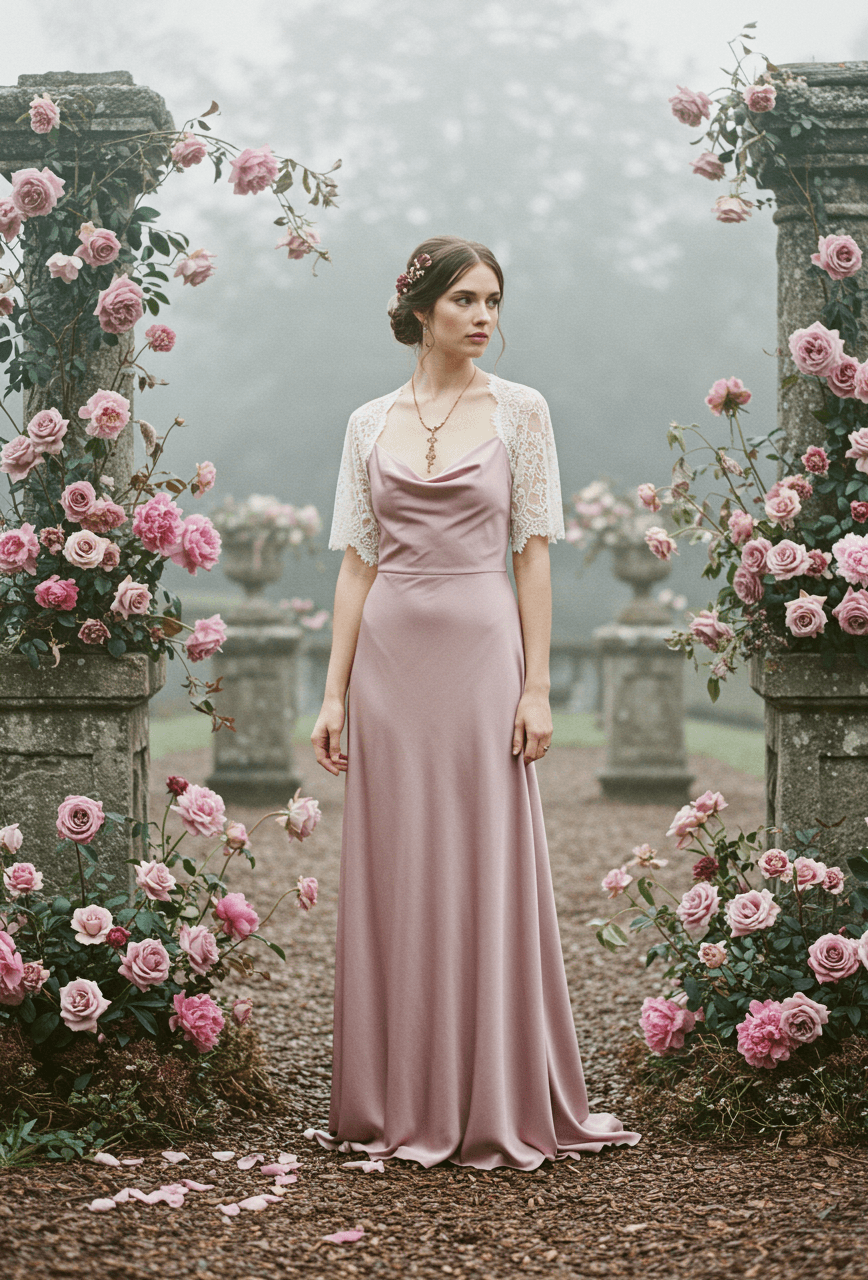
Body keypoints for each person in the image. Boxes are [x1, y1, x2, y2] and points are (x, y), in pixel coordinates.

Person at [306, 235, 640, 1170]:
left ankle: (491, 1087)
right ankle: (393, 1094)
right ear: (420, 310)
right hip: (390, 658)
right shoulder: (367, 422)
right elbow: (356, 564)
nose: (484, 316)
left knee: (486, 857)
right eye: (465, 299)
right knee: (398, 861)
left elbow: (533, 553)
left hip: (485, 649)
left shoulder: (522, 412)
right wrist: (332, 695)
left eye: (493, 299)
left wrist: (535, 685)